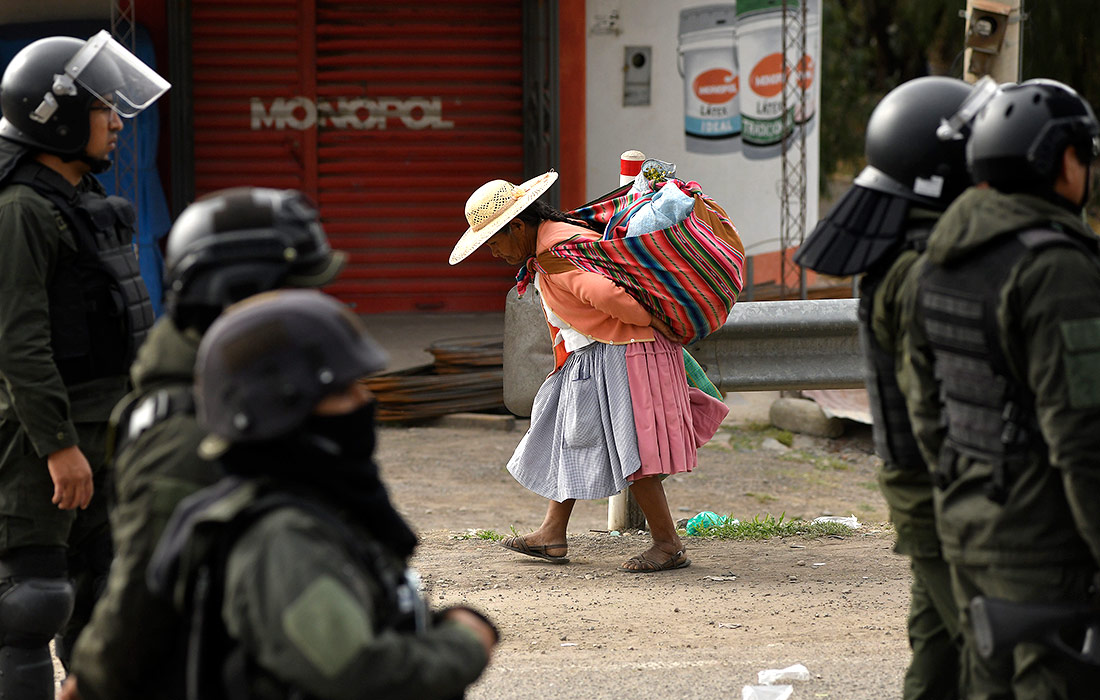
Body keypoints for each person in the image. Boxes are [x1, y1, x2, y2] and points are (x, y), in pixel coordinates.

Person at [60, 187, 347, 700]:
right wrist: (93, 678)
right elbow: (143, 585)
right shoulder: (187, 428)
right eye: (295, 291)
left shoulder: (257, 391)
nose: (312, 309)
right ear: (237, 298)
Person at [146, 289, 497, 699]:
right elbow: (358, 675)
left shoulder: (317, 504)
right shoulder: (283, 538)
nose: (364, 402)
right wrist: (464, 642)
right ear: (282, 412)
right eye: (341, 391)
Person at [902, 79, 1100, 698]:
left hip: (970, 523)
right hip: (1046, 544)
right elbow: (1083, 436)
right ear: (1064, 160)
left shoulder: (935, 262)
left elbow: (925, 412)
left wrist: (966, 495)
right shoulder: (1055, 268)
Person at [794, 75, 977, 700]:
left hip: (918, 483)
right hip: (941, 491)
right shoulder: (930, 270)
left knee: (938, 647)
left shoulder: (900, 254)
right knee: (999, 657)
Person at [0, 31, 168, 697]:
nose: (118, 122)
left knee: (102, 603)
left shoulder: (79, 204)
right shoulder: (20, 210)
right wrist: (59, 447)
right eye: (104, 109)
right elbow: (19, 344)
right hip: (40, 442)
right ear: (58, 116)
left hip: (104, 433)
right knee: (31, 604)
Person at [449, 172, 729, 572]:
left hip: (623, 353)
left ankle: (668, 544)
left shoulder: (555, 254)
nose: (494, 252)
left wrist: (651, 321)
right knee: (569, 438)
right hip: (594, 355)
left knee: (633, 453)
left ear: (517, 226)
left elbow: (610, 296)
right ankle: (552, 533)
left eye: (495, 241)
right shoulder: (555, 241)